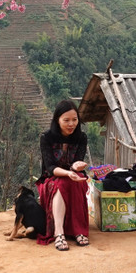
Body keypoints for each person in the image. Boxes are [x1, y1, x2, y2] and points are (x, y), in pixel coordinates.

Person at [36, 99, 90, 251]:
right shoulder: (46, 138)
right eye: (66, 120)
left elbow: (77, 161)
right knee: (62, 182)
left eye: (74, 120)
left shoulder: (81, 137)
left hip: (73, 175)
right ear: (57, 120)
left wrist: (75, 166)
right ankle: (59, 232)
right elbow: (50, 167)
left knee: (75, 182)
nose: (71, 124)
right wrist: (68, 172)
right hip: (51, 178)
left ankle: (77, 230)